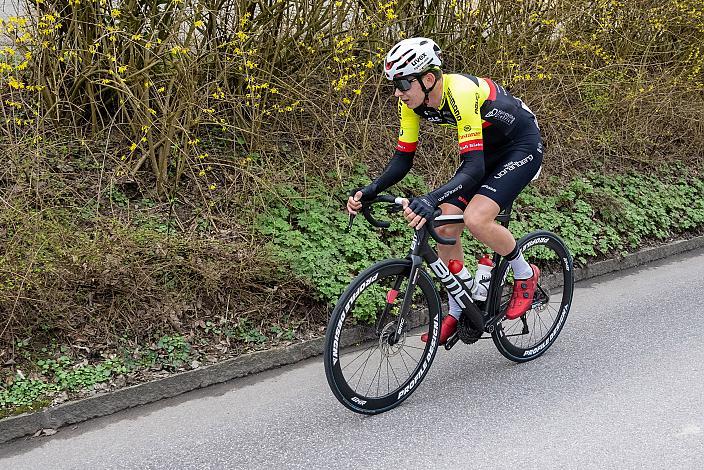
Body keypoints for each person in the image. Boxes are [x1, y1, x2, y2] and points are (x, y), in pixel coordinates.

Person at [346, 37, 544, 344]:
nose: (397, 93)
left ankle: (524, 273)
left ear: (427, 79)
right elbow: (402, 158)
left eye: (402, 84)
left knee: (477, 219)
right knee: (446, 222)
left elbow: (474, 168)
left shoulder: (460, 92)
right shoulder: (415, 103)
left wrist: (430, 198)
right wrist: (371, 189)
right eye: (394, 86)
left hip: (521, 146)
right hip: (488, 149)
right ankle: (459, 304)